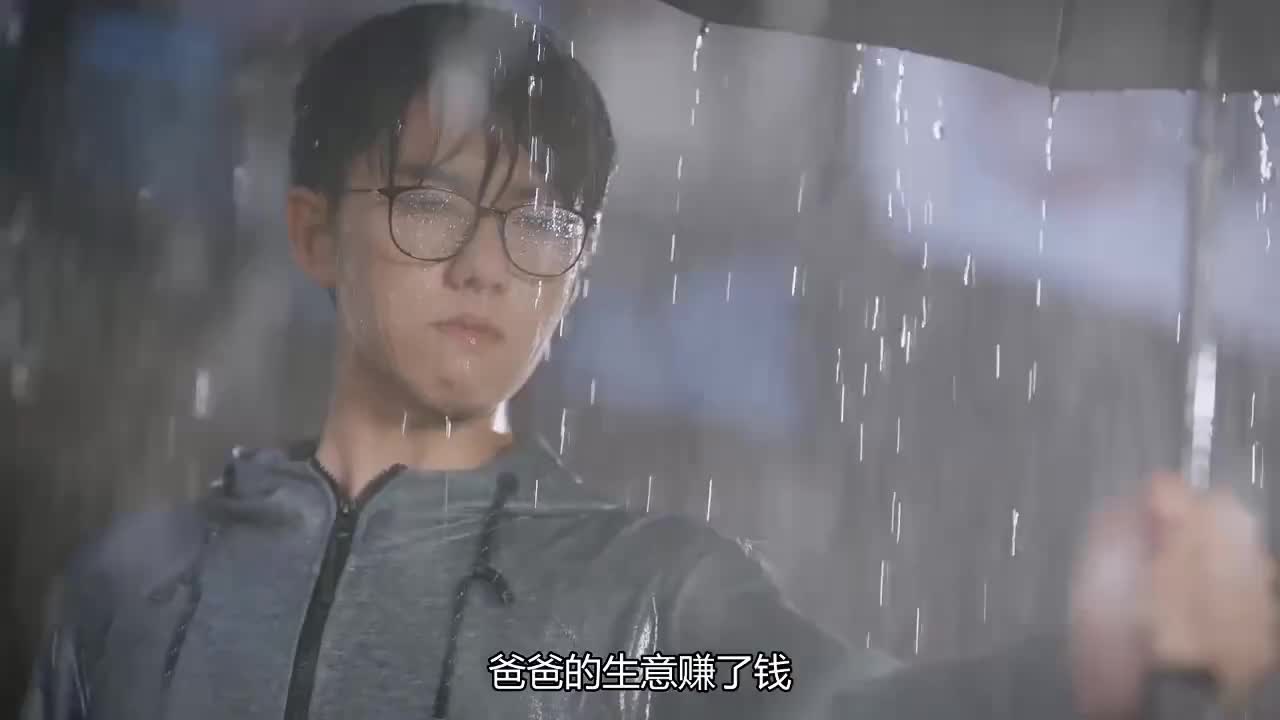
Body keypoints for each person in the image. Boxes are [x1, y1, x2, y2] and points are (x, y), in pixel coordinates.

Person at [20, 4, 1279, 719]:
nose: (485, 264)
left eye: (538, 225)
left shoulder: (625, 615)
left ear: (573, 279)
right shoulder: (129, 591)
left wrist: (1088, 666)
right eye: (431, 203)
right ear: (314, 231)